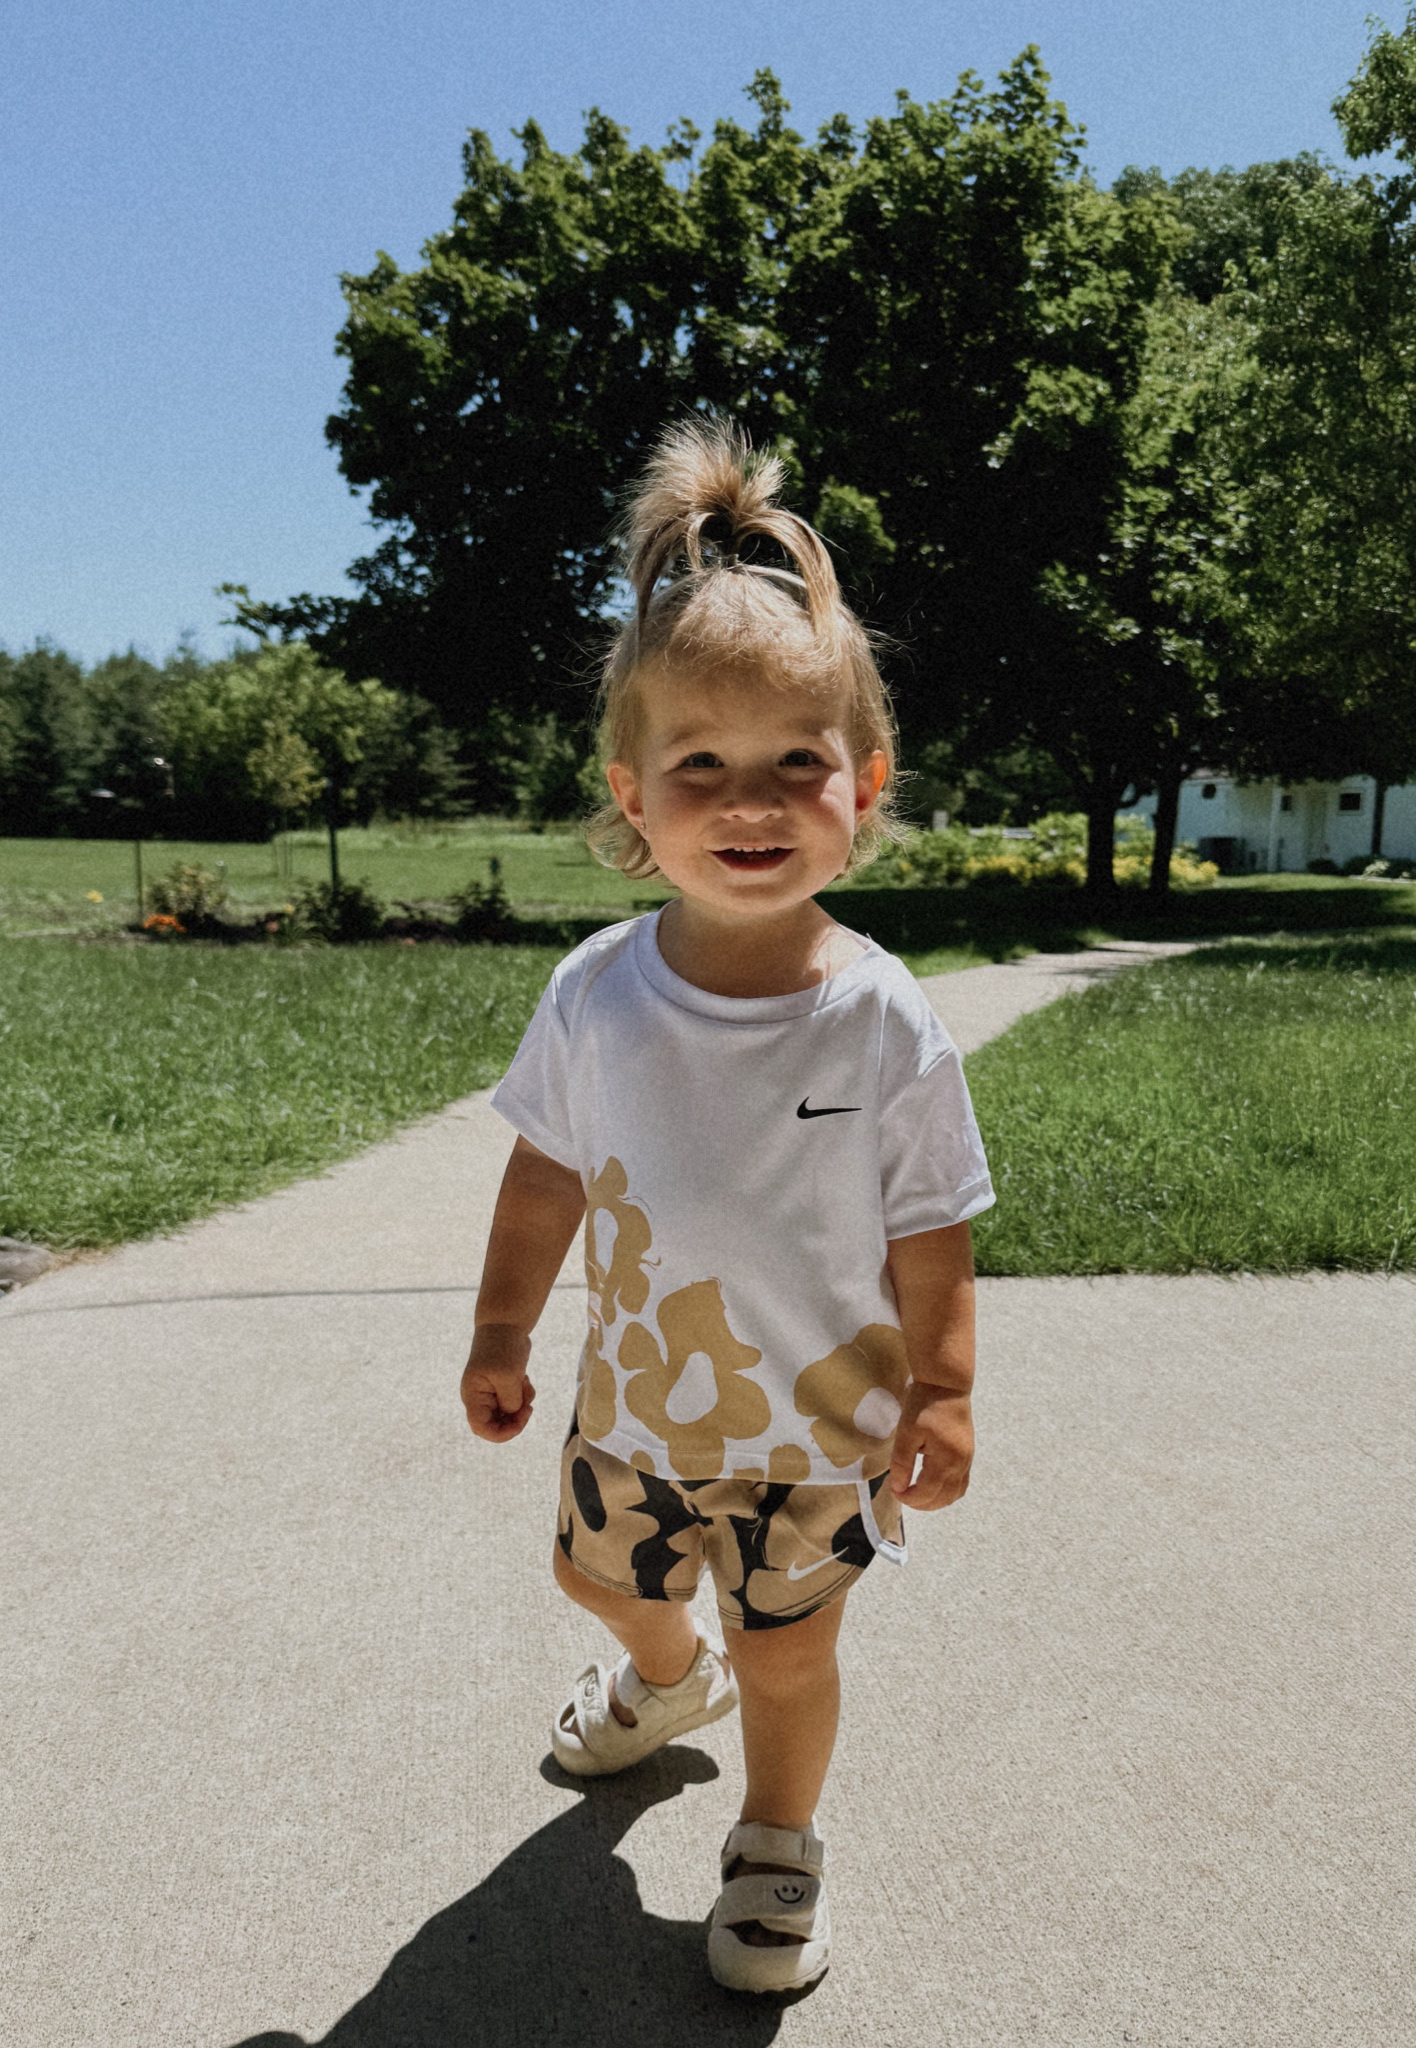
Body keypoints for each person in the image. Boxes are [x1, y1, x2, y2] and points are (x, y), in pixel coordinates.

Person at [460, 417, 993, 1995]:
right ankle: (658, 1676)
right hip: (632, 1411)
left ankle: (776, 1839)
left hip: (816, 1435)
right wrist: (501, 1321)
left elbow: (934, 1224)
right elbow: (546, 1165)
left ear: (865, 784)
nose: (748, 800)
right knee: (589, 1577)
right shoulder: (599, 996)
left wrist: (948, 1390)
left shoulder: (884, 1018)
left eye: (795, 765)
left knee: (796, 1650)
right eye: (702, 764)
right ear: (634, 792)